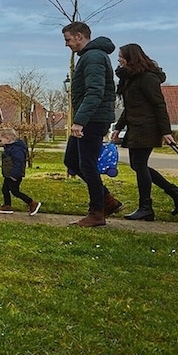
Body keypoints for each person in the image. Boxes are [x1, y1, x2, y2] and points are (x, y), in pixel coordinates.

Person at [111, 43, 178, 221]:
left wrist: (166, 131)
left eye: (121, 56)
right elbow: (130, 107)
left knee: (139, 166)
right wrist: (118, 127)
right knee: (137, 166)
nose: (118, 59)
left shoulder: (147, 78)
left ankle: (146, 208)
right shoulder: (130, 78)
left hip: (147, 127)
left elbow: (159, 105)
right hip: (136, 126)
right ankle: (176, 193)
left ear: (131, 58)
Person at [62, 21, 121, 227]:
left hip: (92, 120)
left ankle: (97, 213)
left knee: (86, 164)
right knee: (72, 160)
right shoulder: (89, 56)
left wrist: (79, 121)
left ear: (79, 36)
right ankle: (107, 200)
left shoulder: (94, 56)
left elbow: (95, 91)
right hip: (88, 119)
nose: (67, 44)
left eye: (68, 39)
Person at [0, 128, 42, 215]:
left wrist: (14, 175)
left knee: (15, 191)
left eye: (1, 140)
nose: (0, 142)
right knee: (5, 189)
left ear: (8, 139)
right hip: (9, 174)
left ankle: (32, 203)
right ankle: (7, 205)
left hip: (14, 175)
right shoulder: (9, 148)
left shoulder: (16, 149)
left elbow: (18, 163)